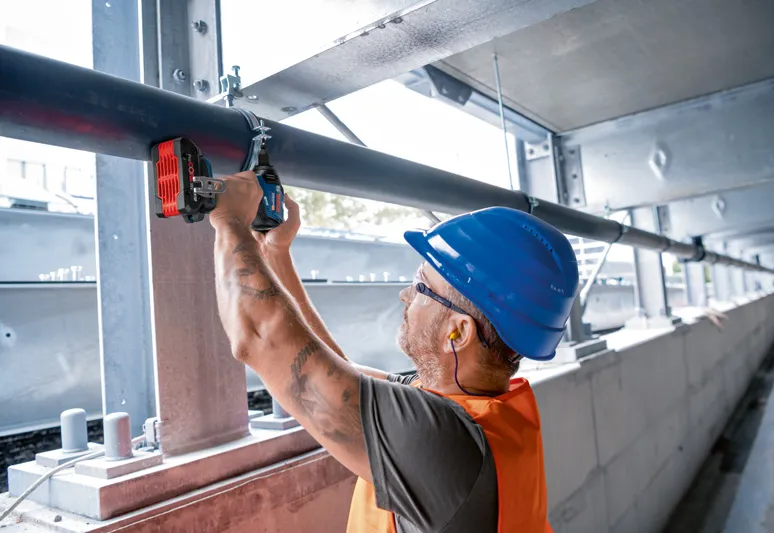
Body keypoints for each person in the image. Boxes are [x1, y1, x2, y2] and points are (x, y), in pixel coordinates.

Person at [209, 172, 579, 533]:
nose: (405, 295)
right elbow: (340, 372)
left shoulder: (442, 442)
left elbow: (259, 338)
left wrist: (229, 219)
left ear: (460, 330)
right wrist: (276, 254)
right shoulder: (476, 410)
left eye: (421, 286)